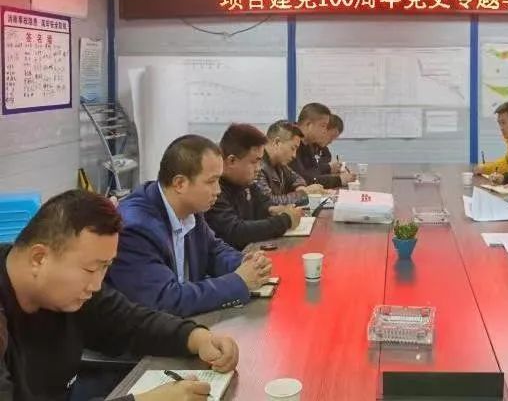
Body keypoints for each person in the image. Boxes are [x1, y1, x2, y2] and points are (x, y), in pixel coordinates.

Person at [0, 189, 239, 401]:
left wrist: (196, 337)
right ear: (39, 258)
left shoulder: (72, 293)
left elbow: (129, 321)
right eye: (90, 269)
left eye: (105, 267)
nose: (96, 285)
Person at [107, 135, 274, 317]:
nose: (218, 190)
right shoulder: (135, 227)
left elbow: (213, 251)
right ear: (180, 183)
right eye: (211, 182)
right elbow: (164, 300)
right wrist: (238, 282)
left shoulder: (189, 208)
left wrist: (246, 264)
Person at [205, 123, 303, 250]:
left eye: (260, 161)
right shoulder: (214, 190)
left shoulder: (245, 182)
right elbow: (235, 231)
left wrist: (275, 209)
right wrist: (286, 220)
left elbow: (264, 203)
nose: (258, 168)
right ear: (231, 161)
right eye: (254, 162)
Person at [255, 120, 324, 207]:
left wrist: (300, 187)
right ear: (277, 143)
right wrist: (303, 193)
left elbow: (297, 178)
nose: (294, 155)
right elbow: (269, 202)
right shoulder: (257, 166)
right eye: (293, 148)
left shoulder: (279, 164)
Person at [291, 103, 356, 189]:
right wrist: (339, 180)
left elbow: (314, 172)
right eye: (323, 126)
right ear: (309, 125)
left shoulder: (307, 143)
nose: (325, 131)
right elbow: (303, 180)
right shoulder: (290, 142)